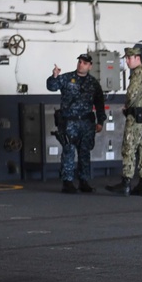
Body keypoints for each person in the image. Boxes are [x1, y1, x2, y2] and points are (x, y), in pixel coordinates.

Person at [46, 53, 106, 194]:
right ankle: (67, 182)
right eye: (79, 62)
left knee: (85, 152)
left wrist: (101, 121)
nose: (81, 64)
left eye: (85, 63)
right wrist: (54, 76)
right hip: (69, 122)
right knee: (68, 151)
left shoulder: (93, 83)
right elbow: (52, 87)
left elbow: (99, 103)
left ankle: (83, 181)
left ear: (90, 66)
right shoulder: (67, 78)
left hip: (86, 122)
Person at [107, 47, 142, 197]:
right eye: (126, 58)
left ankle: (126, 183)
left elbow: (132, 93)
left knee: (128, 148)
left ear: (137, 58)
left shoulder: (137, 73)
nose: (127, 61)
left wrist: (127, 106)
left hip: (137, 116)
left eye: (129, 58)